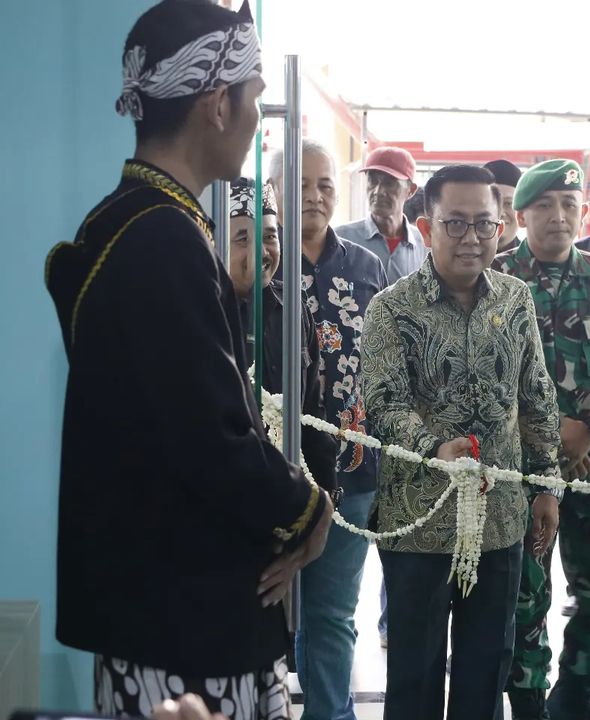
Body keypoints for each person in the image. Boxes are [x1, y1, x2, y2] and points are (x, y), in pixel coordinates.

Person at [43, 2, 332, 715]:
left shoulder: (129, 222)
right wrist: (308, 508)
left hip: (159, 604)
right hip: (185, 623)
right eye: (254, 98)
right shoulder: (162, 239)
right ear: (216, 104)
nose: (258, 119)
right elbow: (210, 437)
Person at [360, 164, 563, 720]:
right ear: (427, 228)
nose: (471, 237)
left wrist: (547, 486)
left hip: (500, 523)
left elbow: (536, 396)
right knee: (414, 678)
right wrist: (435, 449)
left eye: (484, 224)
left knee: (485, 673)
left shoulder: (515, 300)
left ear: (501, 228)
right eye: (456, 223)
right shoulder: (392, 308)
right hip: (418, 524)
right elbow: (383, 404)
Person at [493, 159, 590, 720]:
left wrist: (589, 426)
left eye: (569, 205)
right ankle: (527, 700)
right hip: (520, 471)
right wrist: (545, 437)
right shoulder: (496, 277)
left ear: (583, 213)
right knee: (522, 596)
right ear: (521, 215)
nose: (559, 216)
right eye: (545, 206)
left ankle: (575, 687)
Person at [271, 138, 387, 720]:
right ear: (274, 191)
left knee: (333, 612)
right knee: (272, 611)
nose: (314, 196)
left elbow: (386, 362)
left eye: (324, 185)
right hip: (272, 470)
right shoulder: (260, 260)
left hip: (352, 469)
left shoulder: (366, 267)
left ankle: (330, 715)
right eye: (300, 184)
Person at [228, 178, 337, 492]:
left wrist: (325, 493)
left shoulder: (291, 306)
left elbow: (311, 413)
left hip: (291, 490)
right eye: (243, 239)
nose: (262, 252)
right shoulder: (202, 312)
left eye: (269, 237)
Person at [337, 145, 427, 283]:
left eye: (390, 183)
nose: (378, 191)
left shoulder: (425, 246)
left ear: (410, 190)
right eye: (373, 181)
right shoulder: (340, 239)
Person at [485, 159, 523, 252]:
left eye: (508, 203)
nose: (501, 213)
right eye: (493, 202)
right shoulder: (459, 257)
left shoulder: (536, 259)